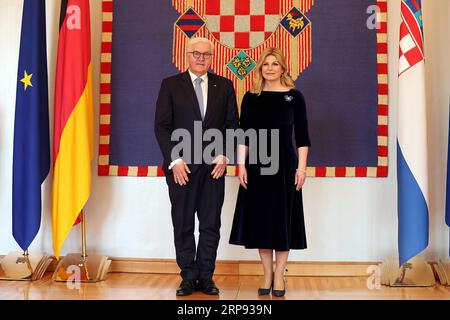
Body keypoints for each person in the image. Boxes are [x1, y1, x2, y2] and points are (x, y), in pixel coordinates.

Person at [154, 37, 239, 296]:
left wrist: (224, 154)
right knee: (183, 224)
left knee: (210, 224)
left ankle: (206, 277)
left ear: (213, 57)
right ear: (187, 55)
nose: (201, 58)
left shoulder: (224, 86)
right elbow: (162, 126)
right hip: (182, 168)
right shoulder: (170, 85)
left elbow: (232, 125)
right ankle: (188, 277)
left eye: (206, 54)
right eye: (196, 53)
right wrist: (175, 160)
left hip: (214, 168)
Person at [229, 47, 311, 297]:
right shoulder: (251, 98)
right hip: (257, 167)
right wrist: (241, 164)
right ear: (260, 68)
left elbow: (303, 136)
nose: (270, 68)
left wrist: (302, 168)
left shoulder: (294, 97)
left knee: (283, 222)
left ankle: (279, 276)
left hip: (286, 167)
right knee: (262, 223)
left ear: (283, 68)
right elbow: (243, 134)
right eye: (266, 64)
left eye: (275, 64)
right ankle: (266, 274)